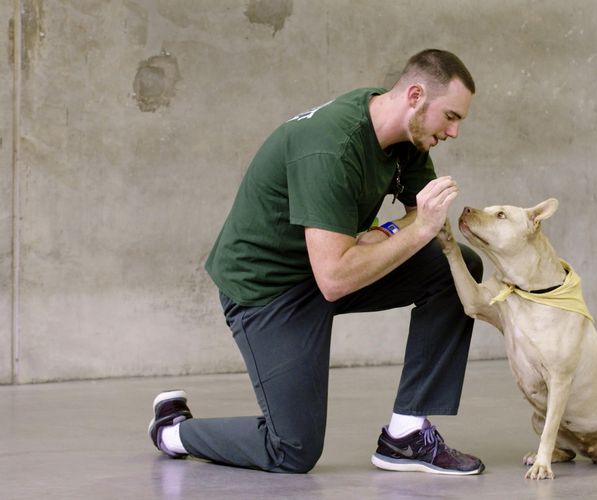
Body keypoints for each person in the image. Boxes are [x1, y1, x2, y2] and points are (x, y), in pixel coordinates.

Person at [148, 49, 485, 476]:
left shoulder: (407, 134)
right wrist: (413, 231)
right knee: (292, 449)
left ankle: (406, 435)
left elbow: (423, 212)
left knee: (456, 267)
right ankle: (173, 431)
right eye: (450, 116)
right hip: (267, 290)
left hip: (326, 266)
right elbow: (336, 278)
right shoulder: (331, 149)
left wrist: (387, 232)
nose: (454, 131)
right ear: (416, 95)